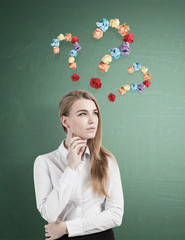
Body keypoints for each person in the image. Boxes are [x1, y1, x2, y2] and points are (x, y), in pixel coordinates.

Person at [33, 90, 124, 240]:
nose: (92, 120)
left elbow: (115, 215)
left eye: (95, 113)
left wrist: (67, 228)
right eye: (83, 114)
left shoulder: (107, 160)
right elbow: (49, 214)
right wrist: (71, 168)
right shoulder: (44, 162)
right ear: (65, 121)